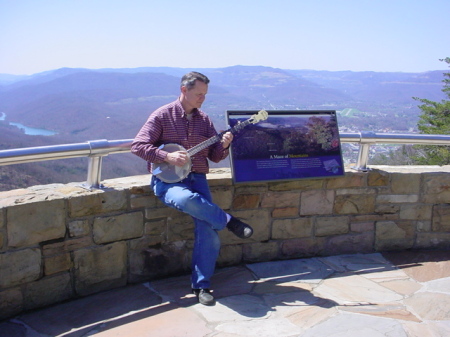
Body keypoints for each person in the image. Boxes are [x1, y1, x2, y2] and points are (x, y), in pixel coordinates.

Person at [131, 71, 253, 306]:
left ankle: (202, 285)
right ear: (184, 90)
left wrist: (225, 145)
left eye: (205, 95)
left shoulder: (204, 120)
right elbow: (138, 146)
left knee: (208, 233)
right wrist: (166, 155)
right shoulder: (162, 115)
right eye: (198, 94)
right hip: (169, 181)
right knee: (186, 199)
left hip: (198, 178)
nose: (202, 99)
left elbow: (215, 156)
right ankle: (229, 221)